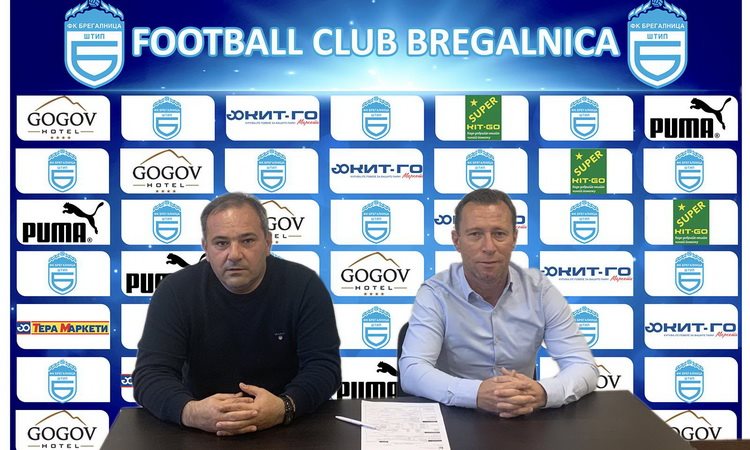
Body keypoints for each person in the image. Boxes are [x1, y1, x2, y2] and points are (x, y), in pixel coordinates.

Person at [134, 192, 341, 435]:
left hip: (288, 424)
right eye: (221, 243)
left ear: (268, 243)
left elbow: (324, 367)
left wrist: (285, 407)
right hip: (201, 429)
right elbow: (150, 374)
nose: (234, 254)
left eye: (247, 241)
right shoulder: (176, 291)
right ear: (205, 248)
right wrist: (191, 412)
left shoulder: (304, 285)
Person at [399, 188, 597, 418]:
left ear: (514, 238)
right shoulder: (435, 293)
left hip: (522, 416)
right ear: (456, 240)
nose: (489, 247)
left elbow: (584, 365)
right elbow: (412, 371)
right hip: (454, 418)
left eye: (499, 234)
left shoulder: (540, 291)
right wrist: (476, 393)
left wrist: (543, 393)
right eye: (475, 234)